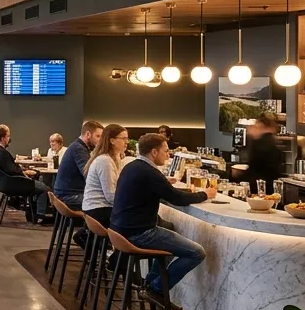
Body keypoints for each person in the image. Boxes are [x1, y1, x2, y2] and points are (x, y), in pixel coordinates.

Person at [110, 133, 212, 300]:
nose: (168, 154)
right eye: (165, 150)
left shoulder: (132, 166)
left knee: (168, 239)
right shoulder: (150, 173)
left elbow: (161, 191)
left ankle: (149, 285)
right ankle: (156, 289)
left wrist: (164, 184)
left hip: (119, 230)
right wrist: (205, 194)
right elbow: (178, 199)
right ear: (154, 152)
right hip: (139, 233)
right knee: (197, 252)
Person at [0, 125, 49, 221]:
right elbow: (11, 170)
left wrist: (23, 171)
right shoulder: (2, 153)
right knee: (44, 188)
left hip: (4, 182)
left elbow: (9, 168)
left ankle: (33, 212)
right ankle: (40, 216)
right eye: (8, 136)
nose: (9, 139)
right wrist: (25, 173)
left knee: (37, 182)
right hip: (13, 183)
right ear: (3, 138)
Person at [82, 124, 128, 229]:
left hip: (99, 208)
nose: (127, 142)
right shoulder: (104, 161)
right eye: (123, 138)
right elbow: (111, 196)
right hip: (98, 209)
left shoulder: (113, 158)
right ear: (112, 141)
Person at [53, 121, 104, 211]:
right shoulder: (79, 148)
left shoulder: (78, 146)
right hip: (69, 196)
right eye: (98, 136)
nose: (100, 141)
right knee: (103, 203)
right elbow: (89, 175)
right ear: (88, 134)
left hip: (65, 193)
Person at [244, 111, 284, 187]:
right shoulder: (271, 141)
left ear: (262, 125)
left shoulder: (263, 142)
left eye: (256, 125)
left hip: (259, 186)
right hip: (268, 185)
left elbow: (256, 168)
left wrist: (238, 176)